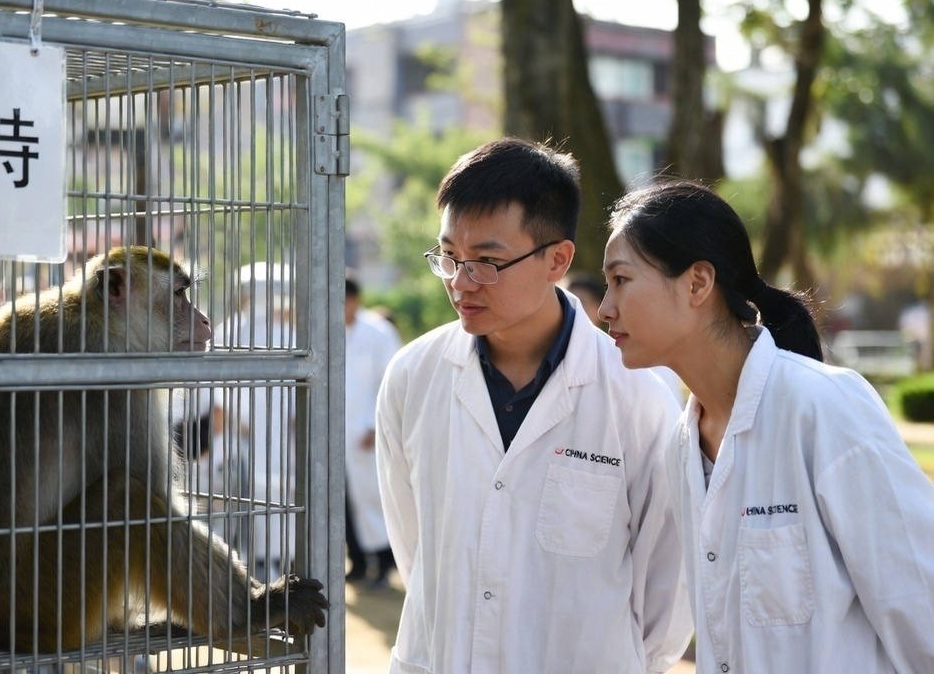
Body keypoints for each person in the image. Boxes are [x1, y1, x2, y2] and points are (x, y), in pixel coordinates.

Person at [375, 137, 692, 673]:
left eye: (486, 262)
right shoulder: (413, 377)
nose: (460, 282)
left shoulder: (638, 397)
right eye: (448, 257)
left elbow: (667, 591)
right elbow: (418, 551)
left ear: (557, 260)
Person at [599, 179, 934, 673]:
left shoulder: (824, 405)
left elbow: (920, 609)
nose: (605, 308)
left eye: (621, 280)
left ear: (697, 283)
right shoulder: (683, 444)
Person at [203, 262, 297, 582]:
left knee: (239, 507)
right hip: (277, 442)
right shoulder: (289, 335)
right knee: (278, 507)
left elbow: (216, 401)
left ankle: (244, 574)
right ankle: (275, 571)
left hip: (238, 440)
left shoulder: (229, 330)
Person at [344, 271, 403, 590]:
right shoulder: (329, 331)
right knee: (345, 502)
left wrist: (373, 424)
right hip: (339, 435)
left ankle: (383, 565)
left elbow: (391, 384)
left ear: (355, 300)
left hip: (370, 433)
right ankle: (356, 562)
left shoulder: (379, 334)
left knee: (376, 499)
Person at [563, 271, 686, 407]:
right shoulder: (555, 356)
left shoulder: (641, 355)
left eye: (582, 303)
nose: (573, 310)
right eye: (566, 303)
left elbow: (669, 414)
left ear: (597, 307)